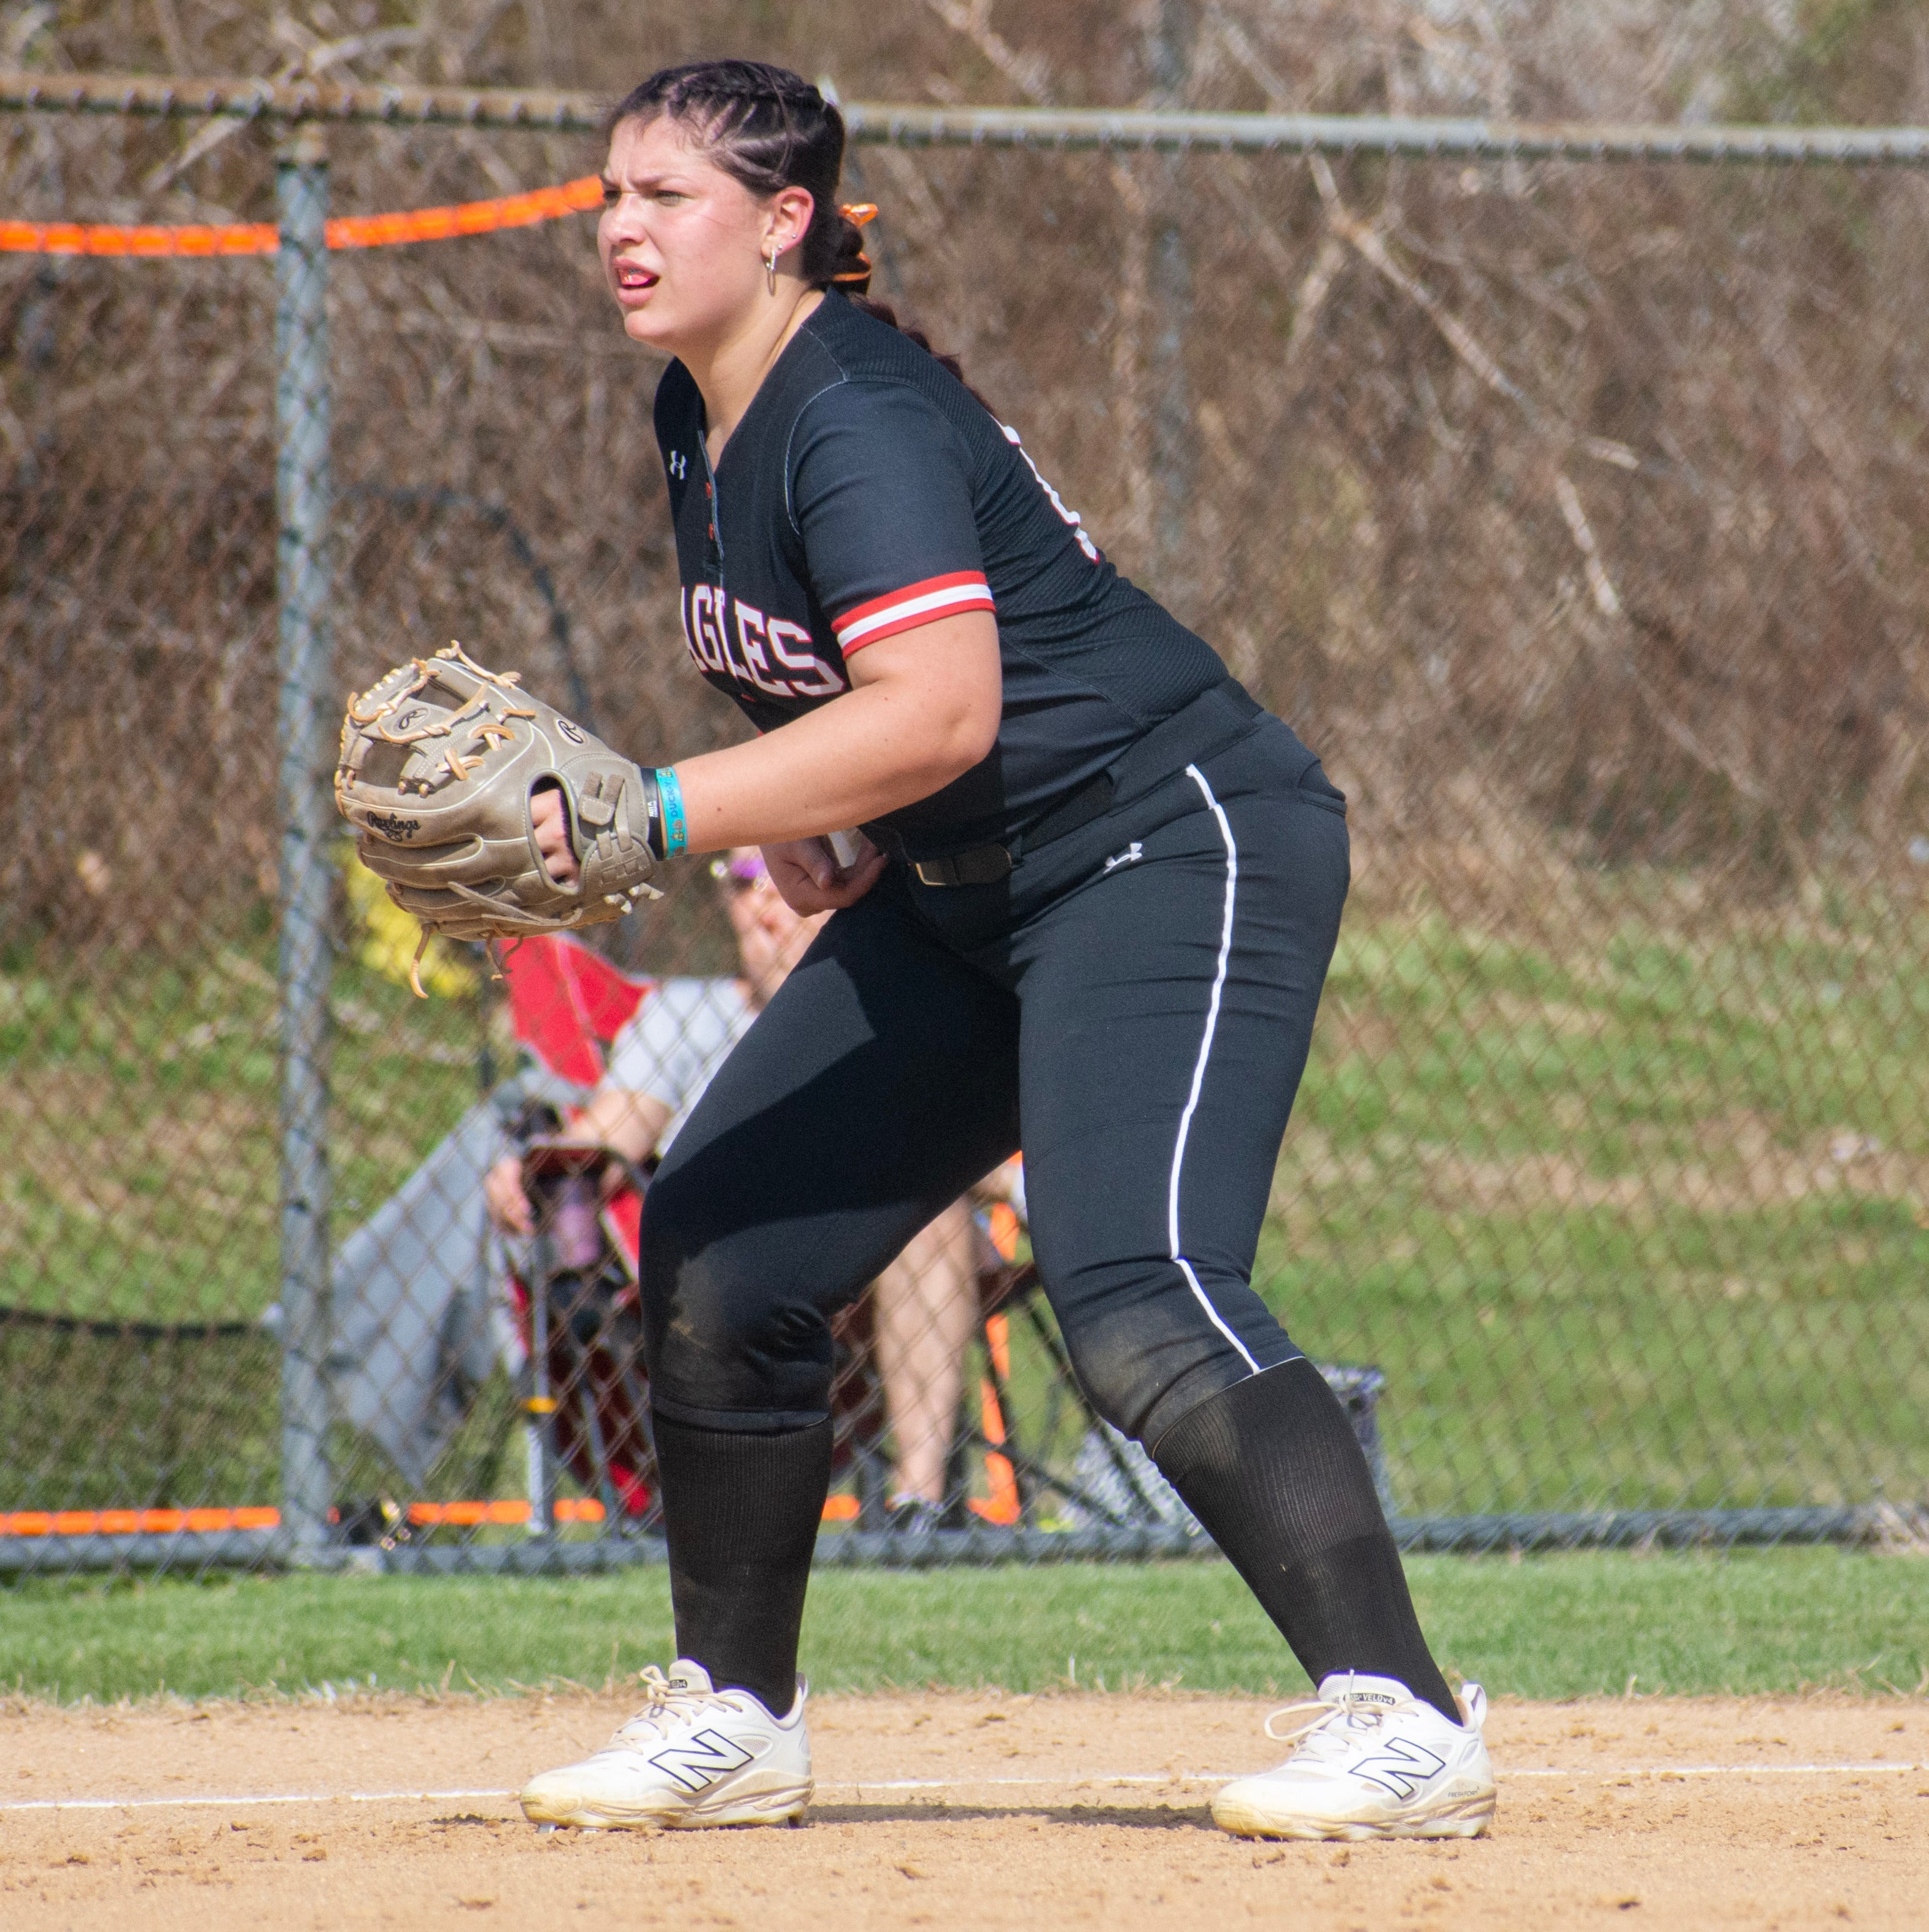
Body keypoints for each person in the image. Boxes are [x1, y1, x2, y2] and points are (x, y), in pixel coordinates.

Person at [517, 60, 1494, 1844]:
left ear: (787, 220)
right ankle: (737, 1711)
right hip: (974, 880)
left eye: (668, 195)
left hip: (1164, 838)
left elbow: (950, 701)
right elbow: (879, 702)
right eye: (610, 194)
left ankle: (1406, 1712)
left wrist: (672, 808)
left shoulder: (849, 410)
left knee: (1134, 1291)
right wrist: (828, 815)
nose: (623, 227)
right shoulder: (695, 416)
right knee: (725, 1241)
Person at [485, 848, 981, 1521]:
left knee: (933, 1208)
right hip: (739, 1248)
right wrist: (533, 1162)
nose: (762, 900)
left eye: (782, 871)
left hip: (888, 1240)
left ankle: (918, 1508)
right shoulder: (687, 1013)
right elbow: (611, 1131)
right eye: (742, 879)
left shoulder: (886, 1007)